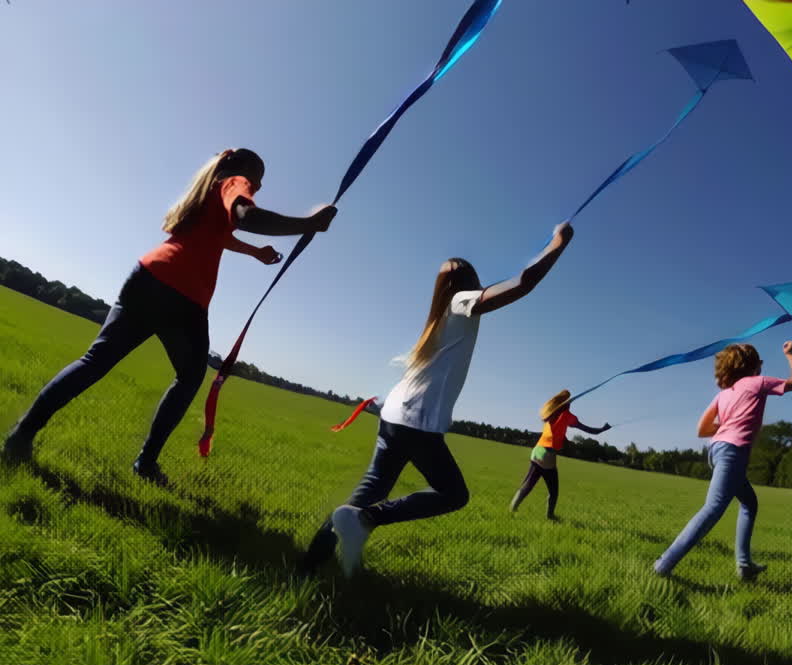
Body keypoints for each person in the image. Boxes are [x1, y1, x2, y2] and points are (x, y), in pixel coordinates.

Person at [2, 149, 336, 481]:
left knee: (94, 361)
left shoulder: (208, 187)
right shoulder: (236, 181)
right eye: (258, 180)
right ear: (245, 170)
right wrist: (308, 224)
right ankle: (146, 464)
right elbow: (246, 215)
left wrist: (255, 252)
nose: (256, 187)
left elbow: (222, 233)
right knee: (189, 379)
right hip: (183, 297)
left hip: (146, 277)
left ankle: (20, 437)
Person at [302, 223, 577, 578]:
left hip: (395, 417)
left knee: (369, 490)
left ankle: (309, 564)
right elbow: (522, 284)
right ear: (466, 283)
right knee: (453, 494)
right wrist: (558, 243)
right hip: (417, 422)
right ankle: (368, 520)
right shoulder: (460, 302)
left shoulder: (439, 318)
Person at [653, 341, 792, 581]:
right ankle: (663, 566)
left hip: (717, 450)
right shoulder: (759, 382)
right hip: (732, 453)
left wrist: (728, 425)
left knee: (749, 503)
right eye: (759, 361)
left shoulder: (724, 394)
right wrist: (791, 355)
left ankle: (745, 566)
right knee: (713, 508)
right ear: (753, 366)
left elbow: (702, 429)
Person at [509, 390, 610, 520]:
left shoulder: (550, 415)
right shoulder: (567, 416)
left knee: (529, 483)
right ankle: (550, 516)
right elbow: (589, 430)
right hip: (547, 455)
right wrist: (603, 429)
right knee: (553, 491)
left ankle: (512, 508)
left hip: (537, 451)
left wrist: (565, 440)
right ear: (567, 404)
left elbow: (557, 432)